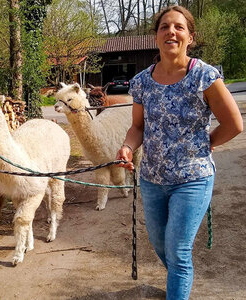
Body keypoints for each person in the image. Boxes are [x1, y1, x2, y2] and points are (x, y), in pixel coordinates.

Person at [115, 5, 243, 300]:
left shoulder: (204, 76)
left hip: (193, 179)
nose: (171, 31)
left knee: (178, 250)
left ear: (190, 37)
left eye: (179, 27)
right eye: (164, 27)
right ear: (156, 37)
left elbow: (234, 124)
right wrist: (127, 146)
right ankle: (178, 282)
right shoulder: (142, 82)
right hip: (152, 180)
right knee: (161, 245)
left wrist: (208, 143)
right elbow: (137, 127)